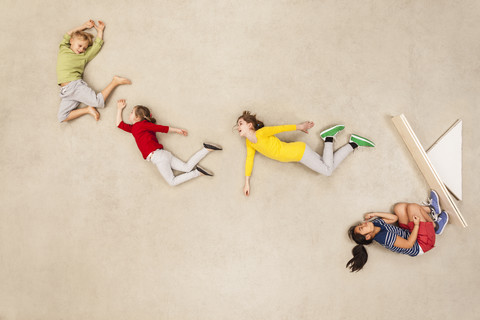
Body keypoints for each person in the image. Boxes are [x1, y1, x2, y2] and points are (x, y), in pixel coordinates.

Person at [236, 111, 375, 196]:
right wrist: (247, 182)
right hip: (298, 154)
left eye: (240, 123)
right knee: (328, 165)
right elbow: (249, 159)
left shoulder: (261, 133)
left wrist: (300, 126)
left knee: (327, 171)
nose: (238, 127)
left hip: (299, 152)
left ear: (249, 125)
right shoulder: (250, 143)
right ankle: (352, 143)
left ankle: (330, 138)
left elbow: (280, 128)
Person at [116, 99, 221, 186]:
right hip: (163, 154)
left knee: (172, 182)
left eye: (131, 112)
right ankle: (206, 149)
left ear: (138, 117)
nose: (129, 114)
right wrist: (119, 109)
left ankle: (197, 172)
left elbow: (159, 128)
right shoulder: (135, 128)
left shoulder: (140, 125)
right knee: (186, 167)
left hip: (158, 157)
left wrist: (176, 130)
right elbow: (120, 124)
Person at [346, 190, 449, 272]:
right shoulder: (384, 238)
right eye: (362, 228)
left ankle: (432, 209)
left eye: (360, 224)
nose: (363, 224)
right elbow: (409, 244)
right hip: (420, 244)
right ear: (368, 236)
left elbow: (394, 218)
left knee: (399, 208)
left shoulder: (375, 224)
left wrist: (374, 213)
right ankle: (436, 226)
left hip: (407, 233)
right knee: (412, 207)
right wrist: (416, 225)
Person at [56, 20, 131, 122]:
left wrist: (100, 31)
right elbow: (68, 34)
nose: (81, 49)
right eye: (80, 45)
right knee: (62, 117)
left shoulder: (84, 56)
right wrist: (83, 26)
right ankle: (87, 109)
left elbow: (96, 45)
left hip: (75, 86)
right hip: (65, 92)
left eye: (84, 48)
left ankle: (115, 82)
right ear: (71, 41)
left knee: (98, 102)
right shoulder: (63, 48)